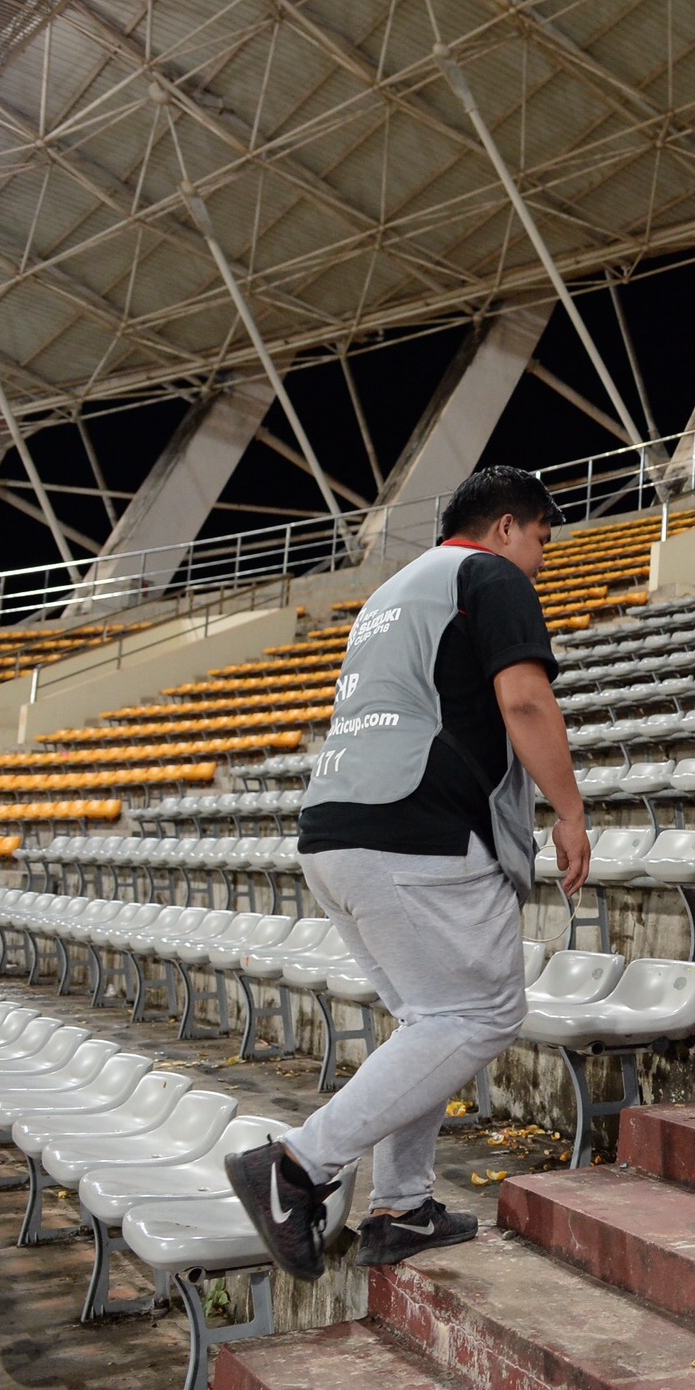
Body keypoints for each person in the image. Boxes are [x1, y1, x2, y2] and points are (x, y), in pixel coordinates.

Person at [224, 466, 589, 1279]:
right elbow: (525, 702)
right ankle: (294, 1167)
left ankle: (402, 1208)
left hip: (338, 834)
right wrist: (568, 812)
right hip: (416, 833)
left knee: (433, 1019)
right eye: (540, 539)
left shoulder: (393, 591)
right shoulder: (488, 575)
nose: (540, 560)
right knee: (480, 1017)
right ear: (504, 528)